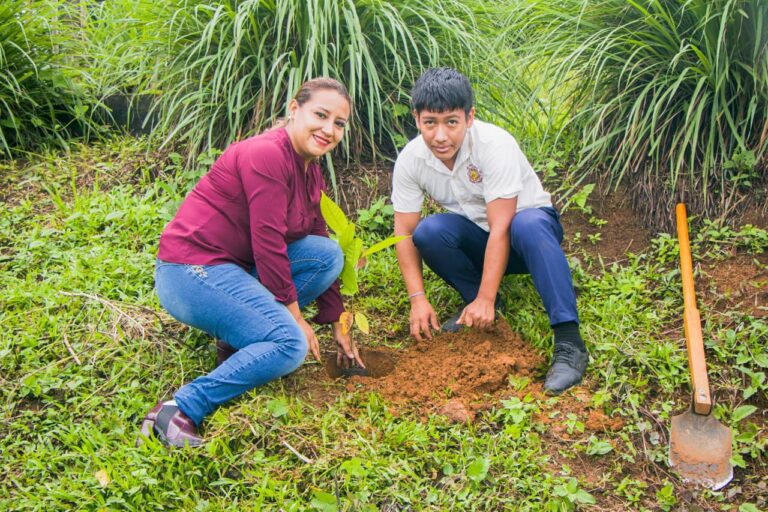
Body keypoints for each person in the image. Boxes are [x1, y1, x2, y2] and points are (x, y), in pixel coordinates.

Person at [139, 78, 365, 447]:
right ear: (294, 109)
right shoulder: (266, 154)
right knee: (289, 345)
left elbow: (318, 235)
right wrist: (295, 317)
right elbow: (268, 242)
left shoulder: (309, 169)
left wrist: (336, 321)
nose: (329, 129)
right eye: (320, 115)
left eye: (338, 123)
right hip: (191, 271)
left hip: (232, 270)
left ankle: (239, 339)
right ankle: (178, 408)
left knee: (327, 256)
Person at [391, 68, 588, 395]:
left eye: (451, 122)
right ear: (416, 119)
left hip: (527, 239)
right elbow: (404, 233)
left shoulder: (495, 145)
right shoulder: (412, 159)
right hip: (481, 239)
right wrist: (418, 298)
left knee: (528, 224)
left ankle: (569, 343)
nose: (440, 136)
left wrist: (488, 293)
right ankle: (482, 308)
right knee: (429, 231)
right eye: (430, 123)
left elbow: (502, 227)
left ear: (469, 117)